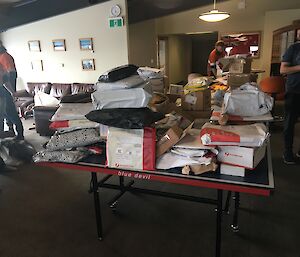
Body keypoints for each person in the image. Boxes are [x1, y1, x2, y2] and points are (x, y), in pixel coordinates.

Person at [280, 39, 300, 164]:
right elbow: (283, 70)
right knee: (289, 123)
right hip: (294, 91)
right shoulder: (294, 49)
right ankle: (287, 151)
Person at [0, 63, 24, 140]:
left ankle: (19, 135)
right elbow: (5, 81)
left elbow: (5, 81)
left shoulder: (1, 66)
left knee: (9, 115)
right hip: (3, 94)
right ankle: (14, 133)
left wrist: (12, 93)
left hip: (2, 95)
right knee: (7, 115)